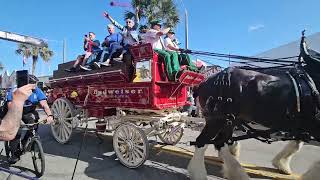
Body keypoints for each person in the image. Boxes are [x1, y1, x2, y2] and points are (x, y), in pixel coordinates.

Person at [6, 75, 54, 164]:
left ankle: (26, 142)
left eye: (35, 84)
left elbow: (44, 104)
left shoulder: (37, 91)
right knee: (17, 131)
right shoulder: (15, 91)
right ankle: (14, 154)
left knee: (33, 125)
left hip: (28, 112)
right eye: (33, 84)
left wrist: (50, 115)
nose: (35, 86)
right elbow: (10, 107)